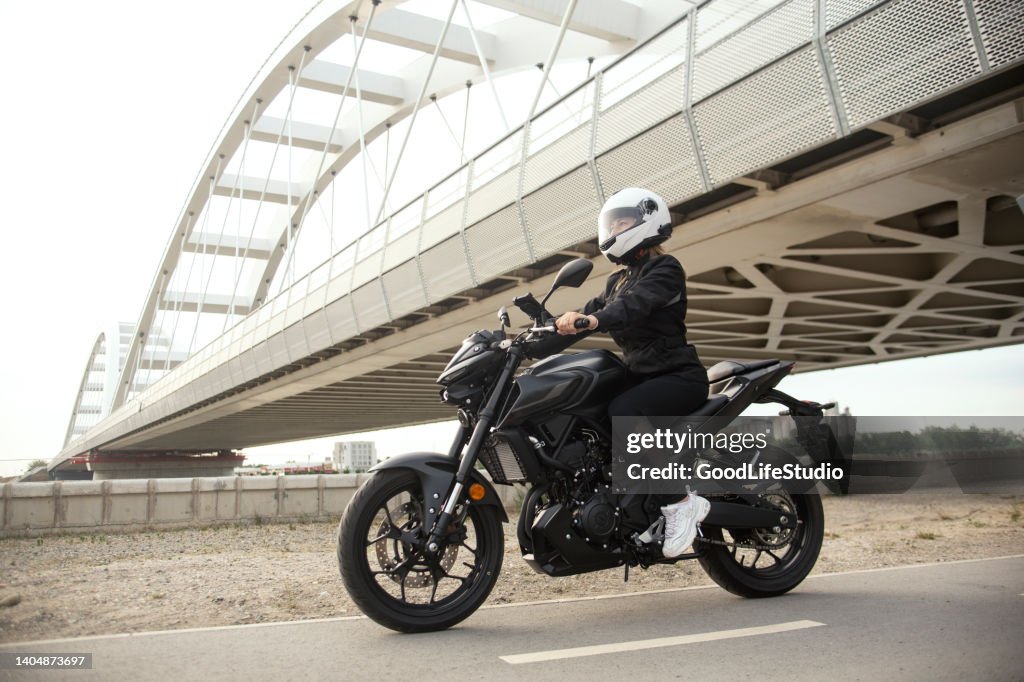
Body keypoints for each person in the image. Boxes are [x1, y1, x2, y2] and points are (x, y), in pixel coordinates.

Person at [554, 187, 710, 558]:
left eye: (622, 222)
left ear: (647, 219)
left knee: (624, 410)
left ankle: (681, 502)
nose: (614, 230)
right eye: (612, 224)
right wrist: (542, 329)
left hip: (677, 377)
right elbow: (590, 309)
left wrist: (594, 319)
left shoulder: (665, 269)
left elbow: (634, 306)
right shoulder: (617, 280)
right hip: (643, 378)